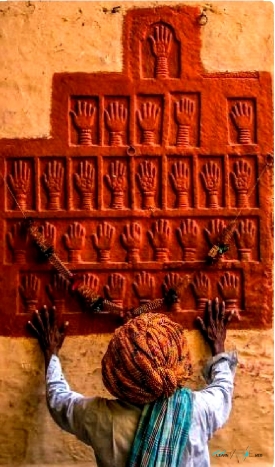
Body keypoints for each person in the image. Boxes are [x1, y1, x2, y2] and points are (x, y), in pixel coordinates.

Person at [28, 297, 237, 467]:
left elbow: (59, 400)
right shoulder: (198, 410)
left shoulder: (100, 418)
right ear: (179, 358)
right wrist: (218, 345)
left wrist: (51, 353)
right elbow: (223, 388)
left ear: (117, 370)